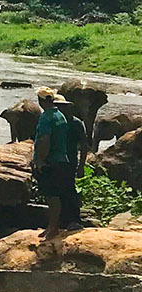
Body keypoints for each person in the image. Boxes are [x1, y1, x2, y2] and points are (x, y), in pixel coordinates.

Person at [33, 87, 79, 237]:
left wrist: (40, 159)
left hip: (51, 161)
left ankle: (53, 227)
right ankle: (53, 226)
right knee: (55, 196)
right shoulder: (60, 115)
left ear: (40, 101)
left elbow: (44, 140)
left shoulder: (46, 117)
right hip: (62, 159)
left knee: (51, 196)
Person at [54, 95, 88, 229]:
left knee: (69, 190)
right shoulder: (54, 122)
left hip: (70, 161)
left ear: (68, 107)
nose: (60, 109)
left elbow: (84, 146)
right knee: (57, 191)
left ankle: (74, 220)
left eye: (62, 107)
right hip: (55, 161)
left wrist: (81, 166)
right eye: (57, 107)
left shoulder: (76, 123)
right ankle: (61, 221)